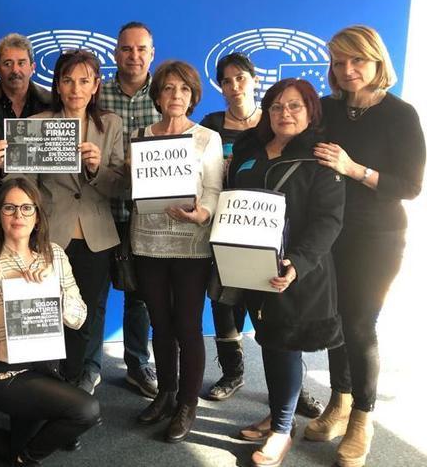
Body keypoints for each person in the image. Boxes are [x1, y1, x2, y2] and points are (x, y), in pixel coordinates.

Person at [307, 25, 425, 467]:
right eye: (339, 62)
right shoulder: (328, 109)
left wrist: (355, 169)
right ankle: (340, 399)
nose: (348, 70)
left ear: (377, 61)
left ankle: (363, 415)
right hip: (328, 230)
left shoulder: (400, 114)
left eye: (357, 60)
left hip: (377, 235)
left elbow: (410, 186)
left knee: (359, 323)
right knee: (334, 319)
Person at [0, 49, 125, 395]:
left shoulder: (110, 124)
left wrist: (97, 169)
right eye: (68, 80)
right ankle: (46, 390)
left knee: (83, 320)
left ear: (96, 85)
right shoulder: (37, 124)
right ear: (58, 84)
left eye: (84, 81)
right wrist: (6, 165)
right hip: (50, 238)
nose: (75, 88)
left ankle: (72, 391)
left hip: (96, 238)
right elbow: (22, 186)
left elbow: (122, 186)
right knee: (46, 319)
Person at [199, 53, 325, 418]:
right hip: (225, 228)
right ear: (220, 87)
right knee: (225, 305)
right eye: (226, 80)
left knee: (279, 319)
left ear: (254, 80)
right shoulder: (210, 124)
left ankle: (291, 392)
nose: (234, 85)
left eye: (240, 78)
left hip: (277, 241)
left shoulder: (278, 130)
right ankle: (233, 373)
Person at [229, 78, 345, 466]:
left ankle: (281, 429)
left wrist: (297, 261)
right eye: (277, 106)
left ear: (311, 111)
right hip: (249, 266)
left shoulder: (320, 156)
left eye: (295, 106)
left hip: (295, 271)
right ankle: (280, 412)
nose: (285, 113)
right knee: (268, 340)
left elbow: (329, 220)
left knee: (285, 345)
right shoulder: (248, 148)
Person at [0, 177, 100, 466]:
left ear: (37, 216)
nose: (18, 215)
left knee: (21, 444)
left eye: (26, 208)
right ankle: (24, 459)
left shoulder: (55, 257)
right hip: (1, 375)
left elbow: (79, 318)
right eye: (9, 208)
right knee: (87, 410)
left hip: (45, 371)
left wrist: (56, 297)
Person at [129, 60, 223, 443]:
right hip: (147, 243)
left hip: (191, 246)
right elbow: (135, 190)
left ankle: (187, 404)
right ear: (158, 95)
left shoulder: (207, 139)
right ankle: (166, 393)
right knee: (160, 324)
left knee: (187, 326)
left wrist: (203, 213)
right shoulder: (140, 135)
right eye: (168, 88)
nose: (176, 96)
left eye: (184, 89)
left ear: (193, 95)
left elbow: (215, 190)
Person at [99, 21, 162, 397]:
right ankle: (83, 366)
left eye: (141, 49)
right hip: (100, 210)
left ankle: (137, 364)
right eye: (126, 49)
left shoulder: (169, 93)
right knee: (90, 294)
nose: (134, 56)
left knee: (141, 296)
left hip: (148, 216)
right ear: (116, 53)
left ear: (152, 53)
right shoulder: (98, 94)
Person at [0, 33, 51, 125]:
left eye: (21, 63)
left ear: (32, 68)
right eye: (8, 64)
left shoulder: (51, 103)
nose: (15, 70)